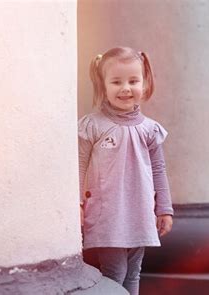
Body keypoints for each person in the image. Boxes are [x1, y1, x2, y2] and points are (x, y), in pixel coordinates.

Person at [78, 47, 174, 295]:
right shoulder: (94, 126)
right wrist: (77, 204)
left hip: (139, 211)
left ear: (144, 82)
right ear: (103, 85)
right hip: (108, 215)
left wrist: (164, 208)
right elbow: (79, 166)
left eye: (133, 81)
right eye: (116, 82)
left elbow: (158, 170)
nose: (126, 88)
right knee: (115, 272)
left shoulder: (150, 130)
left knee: (133, 272)